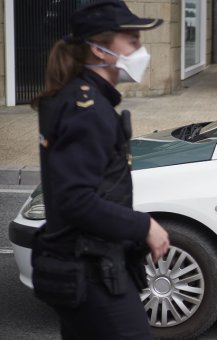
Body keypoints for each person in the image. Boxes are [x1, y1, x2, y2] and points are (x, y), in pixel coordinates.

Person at [29, 1, 169, 339]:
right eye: (132, 41)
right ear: (100, 49)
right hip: (89, 271)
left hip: (87, 266)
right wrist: (144, 225)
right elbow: (75, 200)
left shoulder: (85, 99)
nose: (141, 50)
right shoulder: (87, 109)